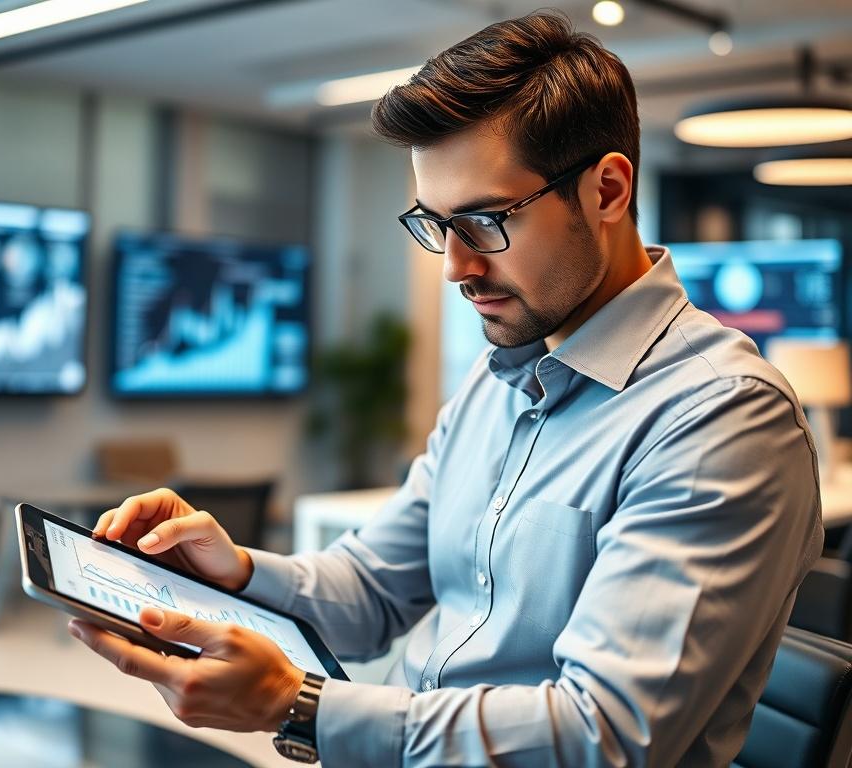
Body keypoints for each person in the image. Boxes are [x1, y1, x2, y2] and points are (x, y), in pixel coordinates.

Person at [69, 10, 824, 766]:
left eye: (486, 221)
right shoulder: (499, 377)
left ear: (609, 190)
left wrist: (297, 706)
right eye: (436, 225)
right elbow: (372, 589)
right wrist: (230, 568)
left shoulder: (721, 417)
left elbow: (604, 735)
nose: (456, 268)